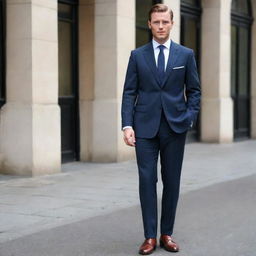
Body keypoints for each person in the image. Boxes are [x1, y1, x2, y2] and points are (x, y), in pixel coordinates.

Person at [121, 3, 200, 255]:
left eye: (165, 22)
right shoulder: (137, 55)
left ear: (172, 23)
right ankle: (149, 236)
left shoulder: (185, 55)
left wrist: (189, 117)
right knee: (146, 180)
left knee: (172, 181)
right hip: (144, 128)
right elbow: (129, 92)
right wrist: (127, 124)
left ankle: (166, 233)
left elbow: (195, 91)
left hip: (175, 128)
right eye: (156, 22)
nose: (161, 26)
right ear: (149, 24)